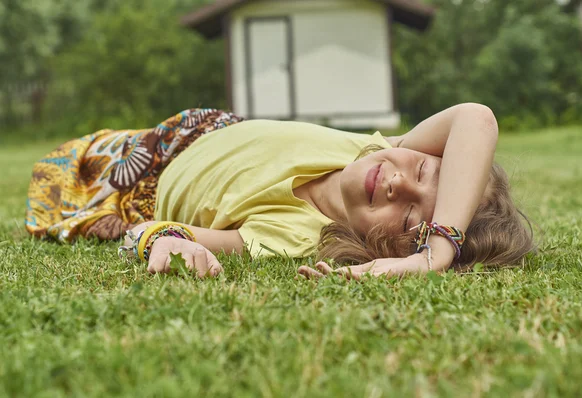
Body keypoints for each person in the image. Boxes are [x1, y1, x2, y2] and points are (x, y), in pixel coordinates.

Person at [25, 103, 534, 279]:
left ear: (383, 251)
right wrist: (436, 250)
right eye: (422, 172)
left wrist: (170, 240)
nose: (398, 182)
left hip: (140, 181)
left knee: (57, 173)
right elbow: (475, 118)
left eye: (408, 223)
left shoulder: (297, 235)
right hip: (195, 129)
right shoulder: (376, 147)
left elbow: (156, 232)